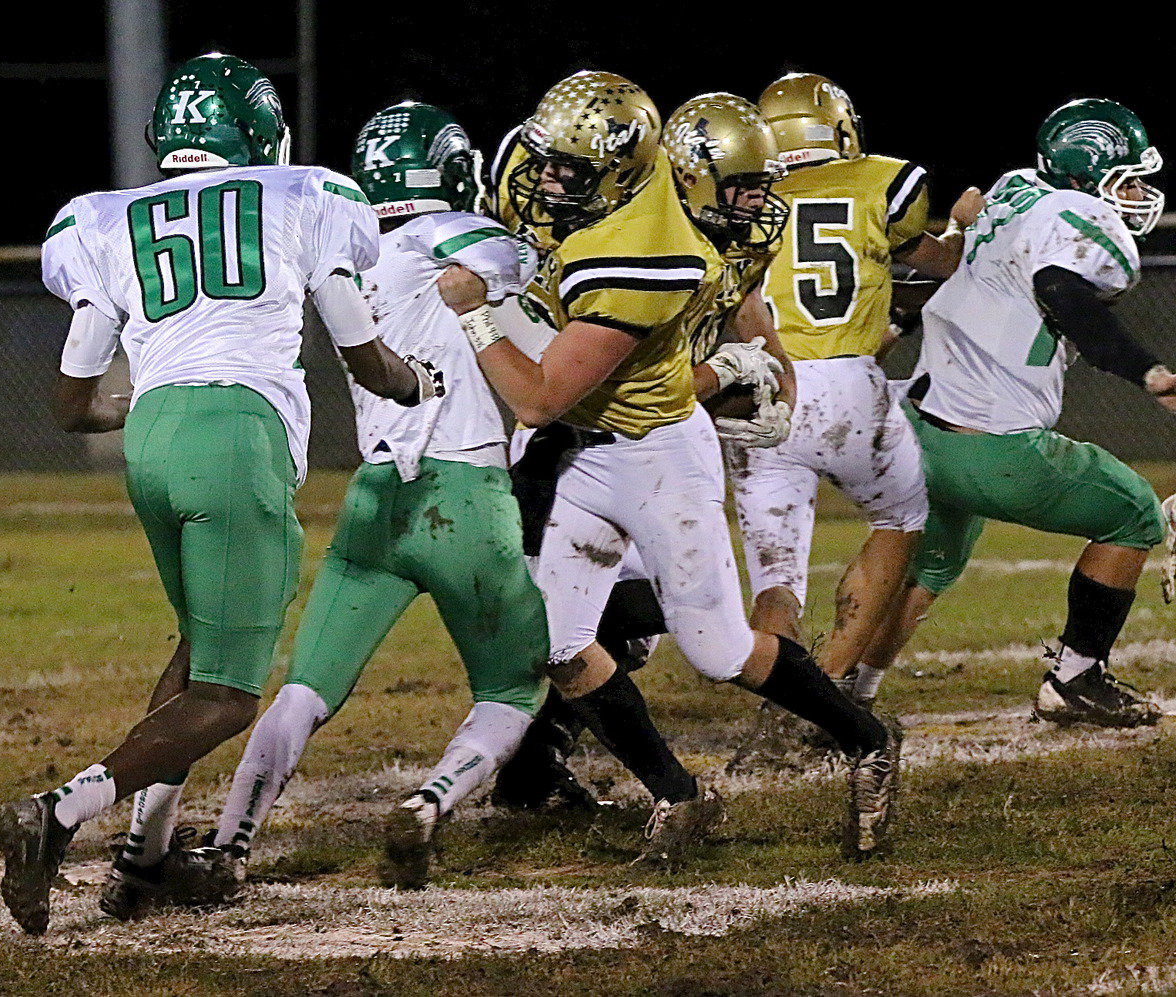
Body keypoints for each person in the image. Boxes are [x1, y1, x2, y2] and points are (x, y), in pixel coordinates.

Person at [0, 54, 438, 936]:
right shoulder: (307, 197)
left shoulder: (104, 221)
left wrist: (143, 399)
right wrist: (415, 379)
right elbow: (362, 353)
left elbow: (74, 404)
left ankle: (144, 859)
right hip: (239, 437)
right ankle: (57, 811)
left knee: (199, 650)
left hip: (148, 441)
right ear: (260, 132)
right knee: (230, 693)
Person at [442, 73, 899, 861]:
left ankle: (869, 741)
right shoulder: (586, 180)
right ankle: (678, 796)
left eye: (568, 172)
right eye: (550, 163)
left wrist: (476, 312)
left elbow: (537, 398)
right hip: (593, 442)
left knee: (720, 651)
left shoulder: (653, 256)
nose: (544, 179)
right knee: (556, 643)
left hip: (653, 451)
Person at [164, 102, 549, 901]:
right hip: (467, 491)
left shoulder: (348, 246)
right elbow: (537, 286)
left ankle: (231, 845)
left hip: (376, 492)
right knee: (513, 687)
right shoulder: (466, 234)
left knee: (305, 688)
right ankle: (429, 801)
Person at [859, 98, 1172, 728]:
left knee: (936, 563)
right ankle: (1077, 678)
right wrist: (1148, 371)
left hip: (920, 424)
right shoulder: (1078, 219)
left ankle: (850, 694)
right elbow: (1063, 290)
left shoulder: (1015, 191)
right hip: (989, 442)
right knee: (1134, 511)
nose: (1140, 194)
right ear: (1087, 178)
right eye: (1127, 180)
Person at [733, 73, 983, 706]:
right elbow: (942, 260)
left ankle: (783, 703)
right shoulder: (881, 181)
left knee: (775, 571)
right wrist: (962, 227)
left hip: (759, 388)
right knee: (901, 516)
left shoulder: (742, 193)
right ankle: (836, 681)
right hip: (846, 384)